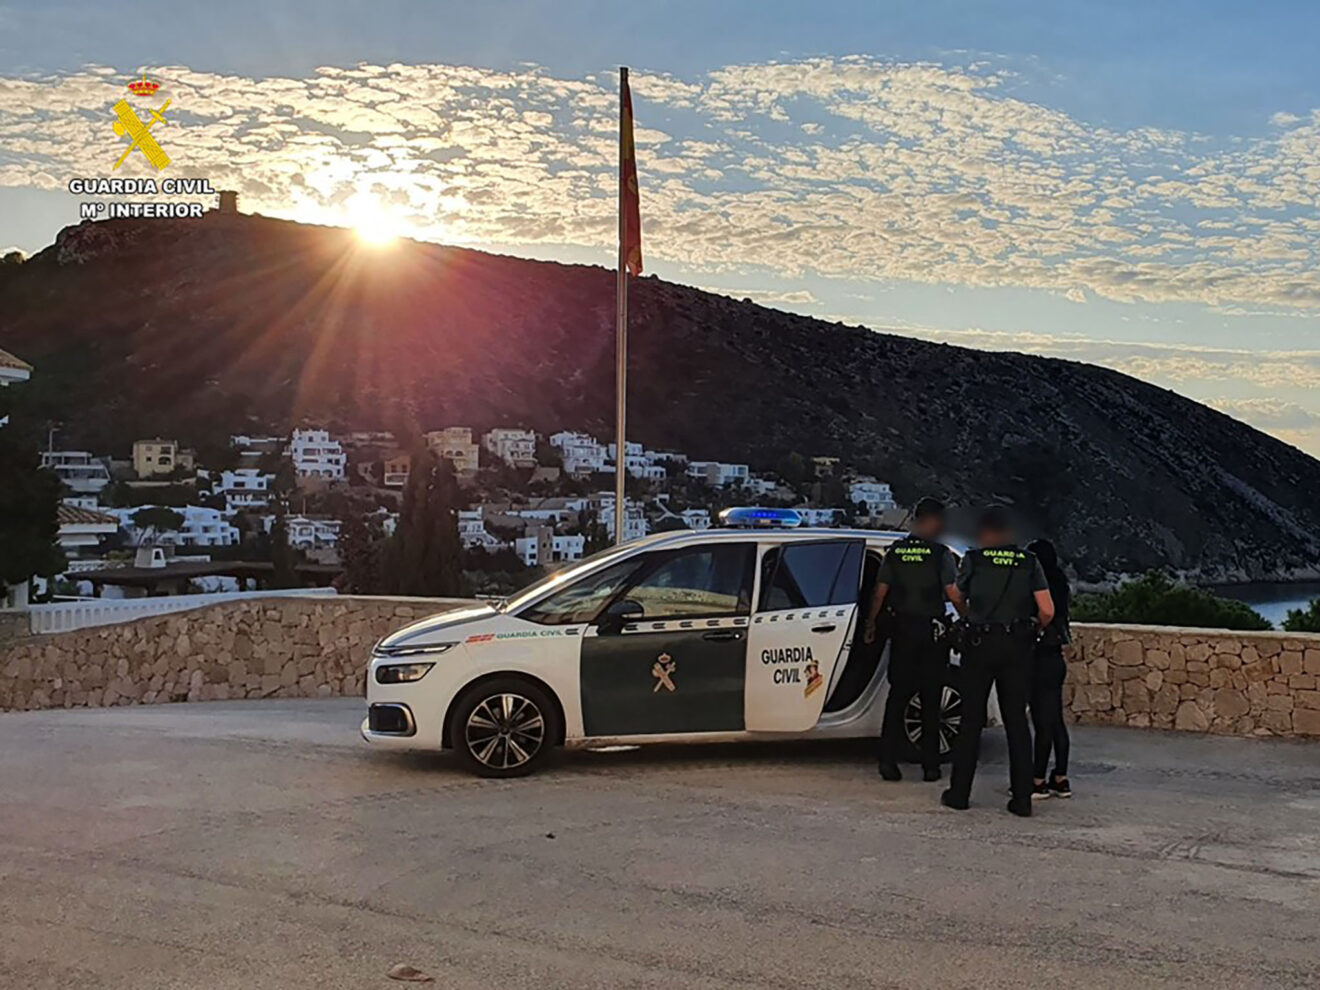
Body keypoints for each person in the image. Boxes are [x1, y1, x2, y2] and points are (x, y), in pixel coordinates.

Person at [941, 506, 1054, 817]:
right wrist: (1032, 630)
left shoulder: (974, 560)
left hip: (979, 645)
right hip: (1017, 646)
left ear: (985, 532)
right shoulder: (1028, 562)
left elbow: (954, 595)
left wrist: (970, 615)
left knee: (971, 721)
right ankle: (1022, 800)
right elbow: (1047, 610)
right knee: (1016, 722)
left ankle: (959, 794)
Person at [863, 497, 965, 782]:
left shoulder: (896, 552)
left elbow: (880, 592)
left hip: (902, 631)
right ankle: (930, 765)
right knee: (931, 697)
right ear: (932, 521)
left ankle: (887, 761)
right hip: (931, 633)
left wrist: (871, 624)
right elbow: (954, 593)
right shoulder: (939, 554)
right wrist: (969, 619)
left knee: (897, 697)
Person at [1027, 538, 1072, 800]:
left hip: (1038, 657)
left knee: (1041, 723)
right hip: (1056, 658)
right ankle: (1061, 777)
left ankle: (1037, 779)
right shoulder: (1061, 584)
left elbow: (1042, 614)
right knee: (1056, 721)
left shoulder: (1037, 587)